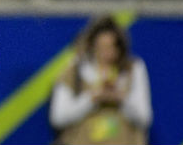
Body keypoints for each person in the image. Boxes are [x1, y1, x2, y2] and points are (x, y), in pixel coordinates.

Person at [50, 15, 152, 145]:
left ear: (120, 49)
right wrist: (93, 98)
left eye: (111, 48)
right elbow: (58, 118)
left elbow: (144, 118)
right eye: (101, 48)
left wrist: (120, 98)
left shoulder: (134, 69)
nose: (106, 54)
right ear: (91, 46)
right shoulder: (73, 71)